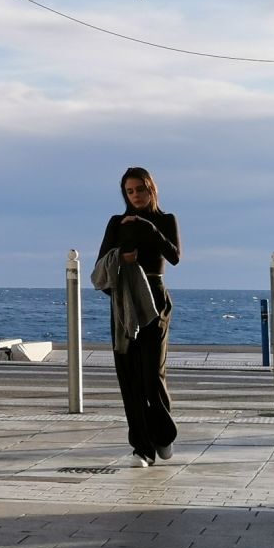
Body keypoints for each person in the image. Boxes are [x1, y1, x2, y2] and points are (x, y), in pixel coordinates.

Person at [96, 167, 181, 467]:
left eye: (140, 190)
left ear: (151, 189)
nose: (135, 196)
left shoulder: (165, 220)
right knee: (129, 376)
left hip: (156, 301)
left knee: (151, 374)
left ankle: (163, 434)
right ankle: (141, 448)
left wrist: (149, 229)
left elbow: (174, 256)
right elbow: (100, 267)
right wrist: (122, 257)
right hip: (124, 302)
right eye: (130, 191)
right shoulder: (116, 223)